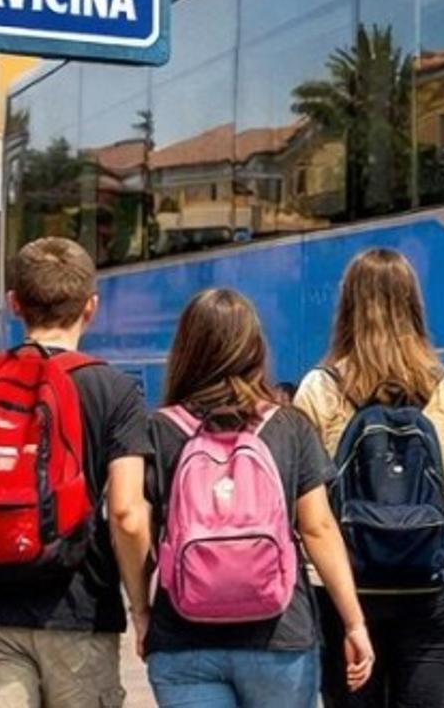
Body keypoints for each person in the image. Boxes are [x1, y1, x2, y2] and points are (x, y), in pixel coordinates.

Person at [0, 238, 152, 708]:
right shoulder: (115, 390)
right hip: (81, 614)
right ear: (91, 307)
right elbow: (126, 513)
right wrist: (140, 605)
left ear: (14, 304)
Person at [138, 288, 375, 706]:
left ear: (185, 349)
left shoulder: (158, 429)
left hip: (182, 639)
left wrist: (141, 609)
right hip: (279, 637)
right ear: (254, 348)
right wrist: (354, 623)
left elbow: (131, 521)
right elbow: (319, 529)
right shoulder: (289, 426)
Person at [294, 248, 444, 708]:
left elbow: (306, 508)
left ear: (347, 306)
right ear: (413, 306)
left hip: (344, 587)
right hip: (434, 583)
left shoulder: (318, 389)